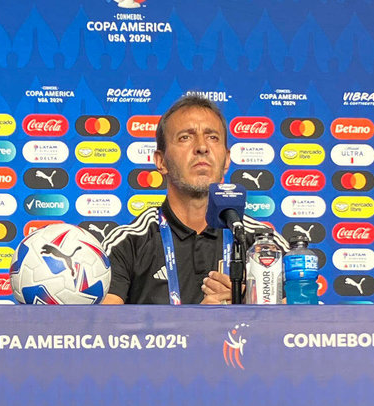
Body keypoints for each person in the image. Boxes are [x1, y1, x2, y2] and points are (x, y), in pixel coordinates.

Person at [101, 94, 287, 305]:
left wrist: (250, 301)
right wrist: (194, 323)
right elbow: (103, 330)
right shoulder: (127, 243)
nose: (202, 147)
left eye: (212, 137)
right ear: (161, 162)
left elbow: (307, 325)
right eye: (185, 137)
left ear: (226, 161)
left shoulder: (262, 244)